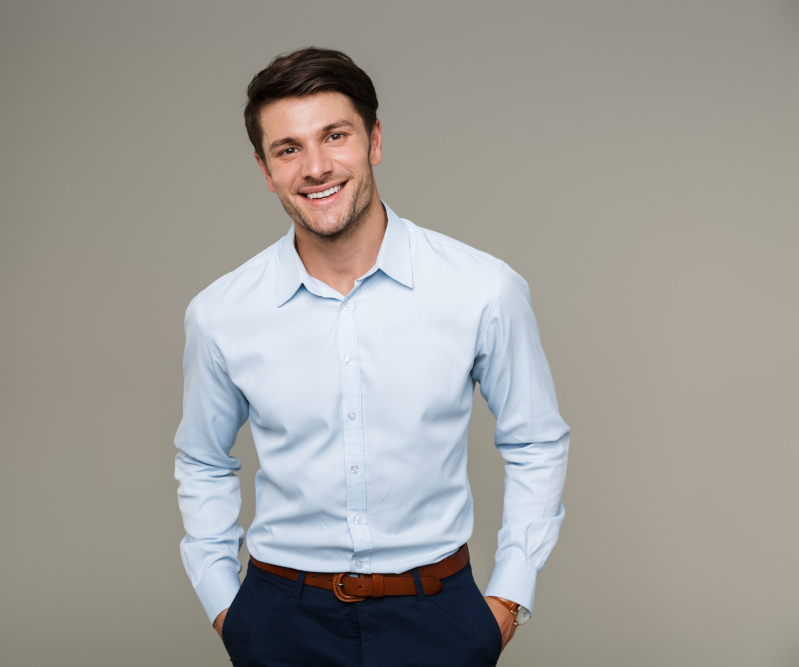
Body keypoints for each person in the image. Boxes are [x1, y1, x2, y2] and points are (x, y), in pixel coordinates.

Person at [174, 47, 569, 666]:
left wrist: (509, 598)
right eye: (288, 149)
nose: (316, 166)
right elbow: (201, 460)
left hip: (439, 615)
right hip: (279, 620)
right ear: (265, 168)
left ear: (374, 141)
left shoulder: (482, 288)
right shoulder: (221, 312)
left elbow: (536, 441)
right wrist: (228, 606)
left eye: (335, 136)